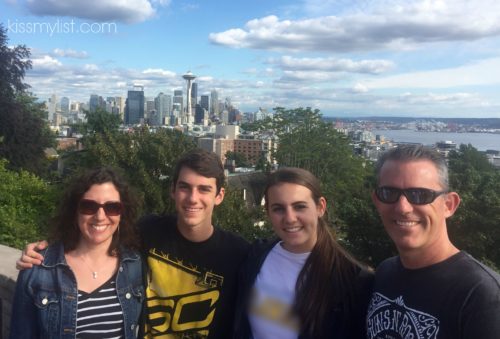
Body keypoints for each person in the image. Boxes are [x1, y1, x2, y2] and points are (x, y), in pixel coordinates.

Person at [17, 149, 250, 338]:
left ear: (219, 196)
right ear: (173, 190)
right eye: (184, 187)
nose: (192, 198)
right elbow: (99, 231)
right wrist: (44, 251)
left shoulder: (240, 253)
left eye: (204, 189)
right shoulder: (148, 231)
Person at [367, 145, 500, 339]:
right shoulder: (385, 273)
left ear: (449, 205)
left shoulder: (481, 295)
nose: (403, 207)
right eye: (389, 193)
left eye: (420, 195)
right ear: (377, 201)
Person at [233, 167, 374, 339]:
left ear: (320, 207)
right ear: (268, 212)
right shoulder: (256, 256)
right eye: (278, 209)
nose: (290, 218)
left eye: (299, 207)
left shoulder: (352, 280)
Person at [10, 167, 144, 338]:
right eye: (89, 206)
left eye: (112, 207)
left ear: (122, 213)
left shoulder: (134, 265)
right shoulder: (38, 268)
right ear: (75, 211)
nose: (100, 216)